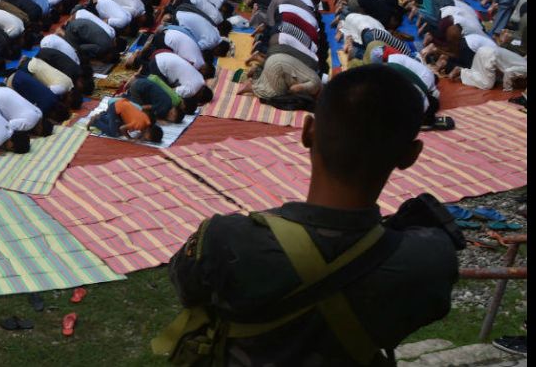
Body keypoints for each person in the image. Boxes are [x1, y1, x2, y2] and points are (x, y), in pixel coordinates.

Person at [156, 65, 460, 366]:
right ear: (411, 155)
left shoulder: (225, 239)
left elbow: (187, 289)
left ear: (308, 132)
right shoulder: (430, 260)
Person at [87, 97, 164, 143]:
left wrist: (140, 137)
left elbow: (143, 132)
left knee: (117, 128)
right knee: (115, 133)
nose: (147, 139)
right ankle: (96, 122)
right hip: (116, 107)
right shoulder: (140, 124)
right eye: (148, 138)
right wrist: (130, 138)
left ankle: (102, 116)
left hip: (121, 109)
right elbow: (122, 128)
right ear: (148, 133)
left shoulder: (147, 122)